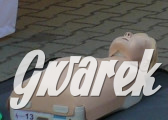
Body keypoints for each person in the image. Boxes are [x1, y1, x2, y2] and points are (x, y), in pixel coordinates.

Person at [9, 33, 158, 119]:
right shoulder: (93, 63)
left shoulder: (131, 72)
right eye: (127, 34)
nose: (127, 34)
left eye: (137, 37)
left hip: (71, 101)